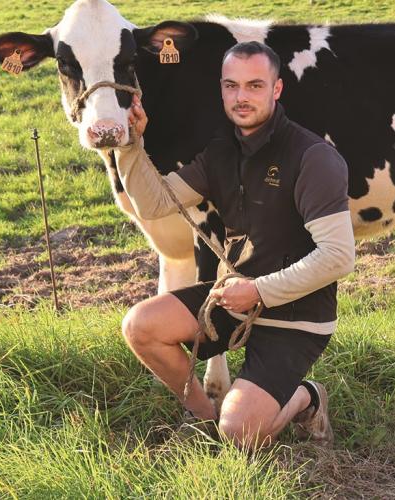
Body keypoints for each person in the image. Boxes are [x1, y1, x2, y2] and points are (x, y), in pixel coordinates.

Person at [115, 41, 354, 449]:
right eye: (231, 86)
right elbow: (155, 203)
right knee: (141, 327)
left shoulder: (314, 157)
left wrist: (258, 290)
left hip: (296, 314)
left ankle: (307, 396)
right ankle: (205, 420)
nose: (241, 97)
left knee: (242, 431)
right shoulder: (222, 151)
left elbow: (338, 257)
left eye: (255, 85)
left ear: (276, 90)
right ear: (222, 89)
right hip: (233, 300)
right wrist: (130, 146)